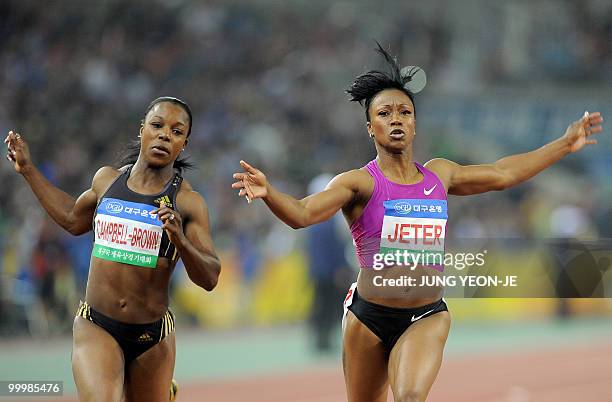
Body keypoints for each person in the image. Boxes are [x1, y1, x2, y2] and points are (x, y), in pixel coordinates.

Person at [232, 44, 604, 402]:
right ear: (370, 129)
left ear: (415, 124)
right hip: (367, 315)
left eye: (405, 112)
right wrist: (269, 193)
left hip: (425, 313)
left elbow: (503, 173)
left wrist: (564, 143)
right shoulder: (358, 182)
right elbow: (302, 214)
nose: (396, 118)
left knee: (410, 396)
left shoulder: (439, 175)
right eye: (384, 113)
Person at [5, 96, 221, 402]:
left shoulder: (188, 203)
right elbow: (71, 219)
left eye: (176, 131)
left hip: (151, 335)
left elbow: (210, 277)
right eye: (157, 125)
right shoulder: (107, 180)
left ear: (184, 143)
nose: (164, 135)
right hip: (97, 324)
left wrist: (181, 242)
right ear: (142, 129)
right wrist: (28, 169)